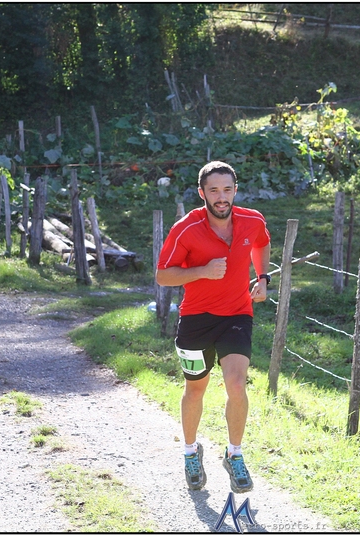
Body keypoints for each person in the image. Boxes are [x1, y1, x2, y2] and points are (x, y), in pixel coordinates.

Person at [156, 161, 271, 494]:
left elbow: (261, 243)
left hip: (237, 315)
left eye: (227, 189)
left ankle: (235, 454)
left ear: (235, 190)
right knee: (196, 389)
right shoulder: (186, 229)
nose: (222, 197)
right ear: (202, 193)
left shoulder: (252, 220)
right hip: (196, 319)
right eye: (214, 190)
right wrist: (202, 271)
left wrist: (262, 278)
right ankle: (190, 452)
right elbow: (163, 275)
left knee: (236, 384)